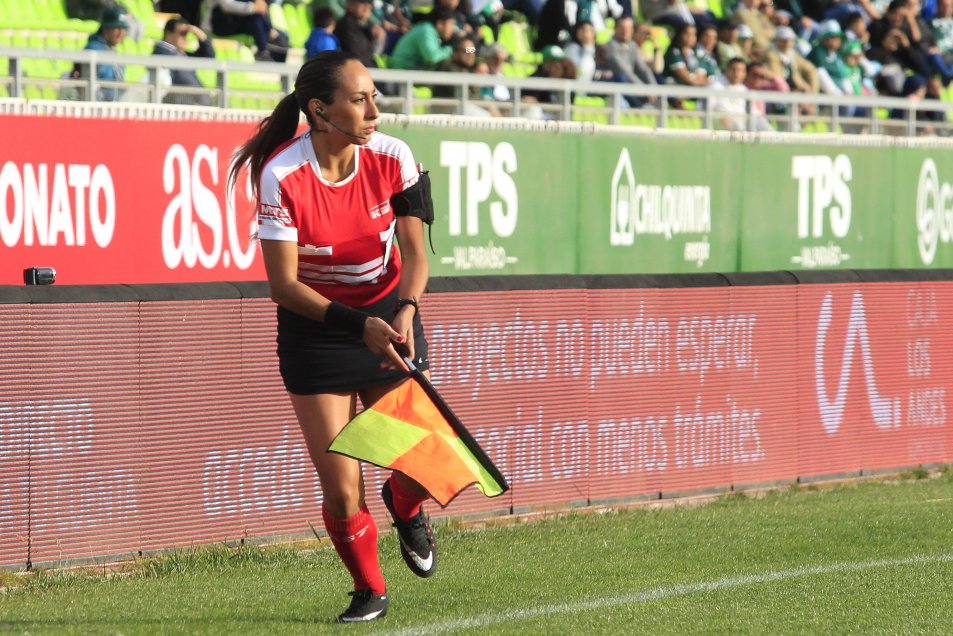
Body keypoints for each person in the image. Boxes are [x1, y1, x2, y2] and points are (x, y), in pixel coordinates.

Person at [228, 50, 437, 623]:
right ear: (320, 111)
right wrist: (355, 325)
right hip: (319, 331)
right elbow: (284, 286)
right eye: (359, 99)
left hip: (389, 317)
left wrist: (406, 310)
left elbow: (416, 254)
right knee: (344, 490)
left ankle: (404, 503)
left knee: (420, 463)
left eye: (373, 96)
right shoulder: (281, 174)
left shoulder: (394, 155)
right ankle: (369, 589)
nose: (375, 109)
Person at [153, 17, 216, 106]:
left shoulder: (179, 54)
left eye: (187, 34)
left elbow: (209, 56)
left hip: (192, 105)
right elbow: (182, 79)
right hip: (178, 106)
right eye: (182, 33)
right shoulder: (162, 53)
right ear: (169, 34)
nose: (185, 38)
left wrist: (199, 34)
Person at [203, 0, 289, 62]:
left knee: (283, 40)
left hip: (242, 20)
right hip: (220, 22)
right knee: (256, 16)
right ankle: (270, 36)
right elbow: (227, 5)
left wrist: (256, 5)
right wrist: (253, 7)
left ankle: (264, 52)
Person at [82, 6, 129, 102]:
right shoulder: (93, 50)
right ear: (106, 28)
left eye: (123, 28)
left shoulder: (112, 51)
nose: (121, 33)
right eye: (117, 28)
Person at [389, 7, 458, 69]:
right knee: (447, 64)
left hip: (410, 67)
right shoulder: (426, 31)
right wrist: (450, 51)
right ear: (440, 25)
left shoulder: (429, 30)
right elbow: (432, 57)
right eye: (451, 24)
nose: (453, 29)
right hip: (403, 69)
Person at [336, 0, 387, 68]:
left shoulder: (359, 28)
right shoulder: (346, 27)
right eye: (362, 2)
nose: (368, 6)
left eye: (369, 3)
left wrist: (373, 36)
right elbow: (358, 59)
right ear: (349, 4)